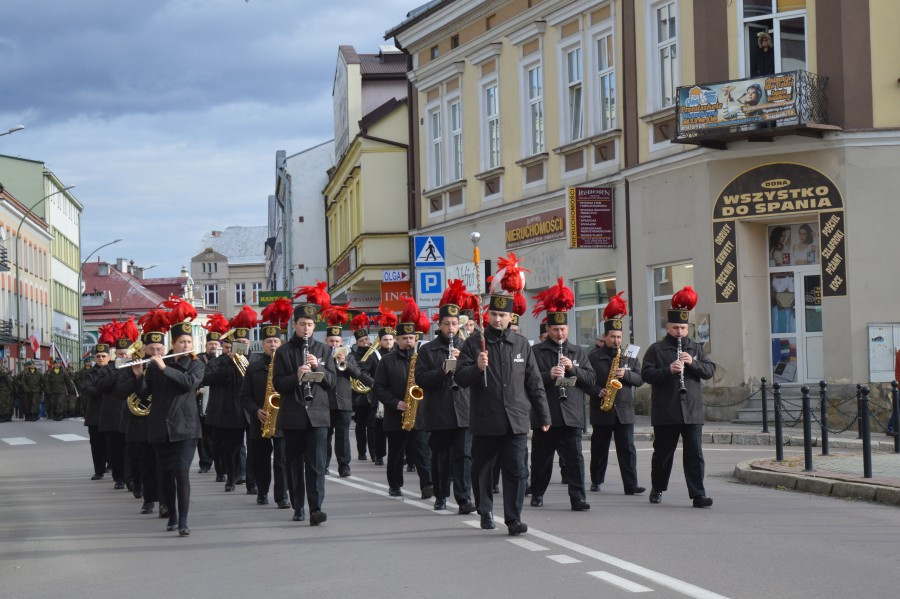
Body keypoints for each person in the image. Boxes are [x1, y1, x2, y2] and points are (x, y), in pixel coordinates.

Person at [456, 285, 551, 536]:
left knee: (517, 471)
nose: (498, 319)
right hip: (486, 419)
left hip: (515, 420)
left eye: (503, 315)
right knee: (483, 470)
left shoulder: (521, 344)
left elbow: (534, 382)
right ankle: (485, 511)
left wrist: (543, 415)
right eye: (494, 315)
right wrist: (477, 367)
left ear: (511, 317)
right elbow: (460, 379)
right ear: (488, 315)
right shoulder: (475, 343)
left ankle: (513, 518)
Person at [128, 306, 204, 536]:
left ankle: (184, 521)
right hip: (160, 428)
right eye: (182, 342)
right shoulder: (157, 365)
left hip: (186, 429)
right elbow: (144, 394)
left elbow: (188, 383)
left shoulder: (197, 364)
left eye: (189, 342)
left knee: (181, 471)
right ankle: (172, 515)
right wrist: (139, 376)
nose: (186, 346)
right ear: (173, 343)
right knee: (167, 474)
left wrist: (163, 368)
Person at [642, 286, 716, 508]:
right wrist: (668, 370)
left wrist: (692, 363)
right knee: (663, 454)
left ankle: (698, 494)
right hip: (666, 410)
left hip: (691, 410)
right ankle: (658, 488)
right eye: (675, 328)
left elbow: (709, 370)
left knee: (694, 454)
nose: (680, 332)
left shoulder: (695, 348)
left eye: (683, 328)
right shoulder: (656, 349)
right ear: (667, 327)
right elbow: (646, 374)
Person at [529, 279, 595, 511]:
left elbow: (590, 380)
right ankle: (537, 492)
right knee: (542, 458)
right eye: (555, 330)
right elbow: (529, 381)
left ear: (568, 330)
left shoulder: (578, 352)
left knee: (575, 458)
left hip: (572, 413)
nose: (559, 333)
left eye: (563, 329)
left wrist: (572, 369)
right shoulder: (536, 352)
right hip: (546, 413)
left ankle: (578, 498)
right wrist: (548, 375)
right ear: (548, 330)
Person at [272, 298, 335, 525]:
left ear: (314, 326)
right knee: (295, 464)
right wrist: (296, 376)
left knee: (316, 465)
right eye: (302, 324)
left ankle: (316, 508)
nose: (306, 328)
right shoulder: (284, 352)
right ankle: (298, 506)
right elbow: (278, 384)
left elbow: (332, 382)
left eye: (309, 324)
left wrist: (318, 368)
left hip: (318, 416)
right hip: (293, 416)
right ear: (294, 325)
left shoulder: (324, 350)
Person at [415, 282, 476, 513]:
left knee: (464, 456)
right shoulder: (427, 350)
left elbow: (477, 375)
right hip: (439, 410)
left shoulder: (468, 347)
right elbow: (421, 379)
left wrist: (463, 363)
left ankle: (464, 498)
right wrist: (442, 370)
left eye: (454, 323)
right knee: (440, 457)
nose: (451, 327)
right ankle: (441, 495)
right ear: (439, 325)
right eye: (447, 324)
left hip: (463, 410)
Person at [374, 302, 433, 499]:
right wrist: (395, 403)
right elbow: (379, 387)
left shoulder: (422, 358)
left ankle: (427, 485)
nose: (409, 341)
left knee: (422, 452)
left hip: (419, 413)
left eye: (411, 338)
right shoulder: (387, 361)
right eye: (404, 338)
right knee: (396, 453)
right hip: (396, 414)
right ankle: (395, 485)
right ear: (397, 340)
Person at [588, 294, 645, 495]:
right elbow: (585, 382)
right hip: (602, 409)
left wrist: (626, 374)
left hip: (624, 411)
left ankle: (631, 484)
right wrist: (598, 391)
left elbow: (640, 378)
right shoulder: (593, 357)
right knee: (599, 449)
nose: (616, 340)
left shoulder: (629, 356)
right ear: (605, 337)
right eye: (612, 337)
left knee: (627, 450)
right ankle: (596, 480)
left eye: (619, 337)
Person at [239, 301, 292, 509]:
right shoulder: (253, 368)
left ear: (281, 343)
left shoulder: (288, 367)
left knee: (282, 460)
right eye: (269, 341)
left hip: (283, 420)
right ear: (263, 344)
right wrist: (256, 411)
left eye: (276, 341)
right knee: (260, 460)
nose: (272, 345)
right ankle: (262, 492)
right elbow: (244, 396)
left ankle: (282, 496)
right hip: (260, 420)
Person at [203, 307, 258, 494]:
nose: (242, 346)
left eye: (244, 343)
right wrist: (229, 361)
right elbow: (209, 379)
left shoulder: (255, 361)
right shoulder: (219, 362)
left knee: (253, 448)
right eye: (238, 343)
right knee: (232, 448)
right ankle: (231, 477)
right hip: (230, 410)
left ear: (249, 343)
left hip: (251, 410)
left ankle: (251, 481)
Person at [323, 316, 357, 478]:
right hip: (325, 402)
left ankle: (344, 466)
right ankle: (323, 464)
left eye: (337, 341)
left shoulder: (349, 356)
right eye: (331, 341)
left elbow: (357, 373)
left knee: (343, 437)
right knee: (325, 436)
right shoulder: (322, 355)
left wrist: (345, 363)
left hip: (343, 402)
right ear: (326, 341)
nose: (334, 344)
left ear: (341, 341)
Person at [196, 317, 227, 475]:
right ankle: (205, 462)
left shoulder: (222, 360)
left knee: (218, 436)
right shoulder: (198, 359)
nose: (213, 346)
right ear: (206, 345)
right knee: (203, 435)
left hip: (216, 401)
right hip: (201, 400)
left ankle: (220, 464)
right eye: (210, 344)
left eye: (216, 344)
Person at [349, 313, 376, 462]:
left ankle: (373, 453)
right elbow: (353, 368)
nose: (365, 343)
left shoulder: (374, 353)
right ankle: (361, 452)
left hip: (372, 393)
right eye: (361, 341)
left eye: (366, 339)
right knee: (360, 425)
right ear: (357, 342)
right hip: (359, 395)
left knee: (372, 425)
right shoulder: (353, 355)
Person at [80, 346, 109, 480]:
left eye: (103, 356)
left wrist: (100, 388)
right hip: (96, 413)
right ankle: (99, 470)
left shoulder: (115, 370)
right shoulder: (89, 373)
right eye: (98, 356)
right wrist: (107, 389)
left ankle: (115, 470)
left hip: (112, 414)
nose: (101, 358)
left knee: (114, 445)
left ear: (109, 357)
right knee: (97, 445)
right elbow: (88, 389)